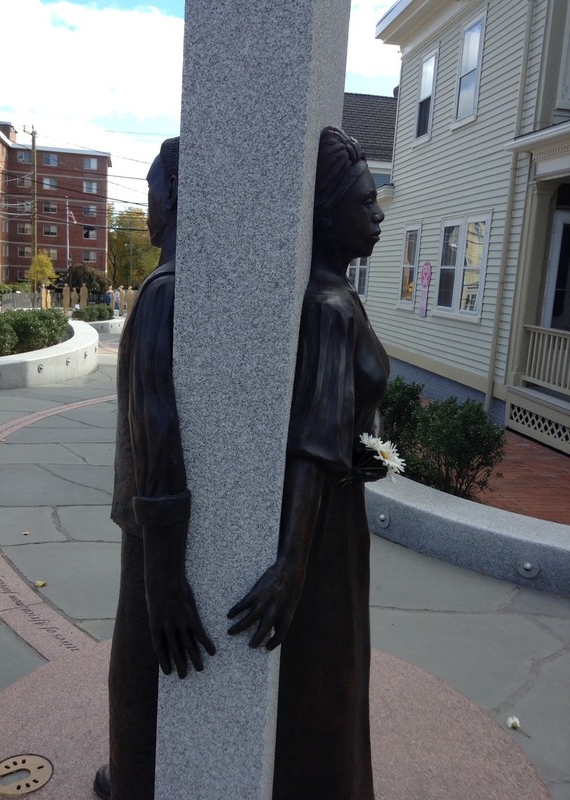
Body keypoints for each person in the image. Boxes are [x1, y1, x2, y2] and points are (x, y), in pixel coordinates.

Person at [227, 126, 389, 800]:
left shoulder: (343, 300)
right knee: (327, 680)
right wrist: (291, 565)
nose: (378, 215)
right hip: (320, 535)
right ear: (327, 216)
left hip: (336, 518)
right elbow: (309, 445)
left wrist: (364, 453)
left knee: (338, 675)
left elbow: (333, 438)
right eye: (363, 204)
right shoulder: (327, 309)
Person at [94, 137, 215, 800]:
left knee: (135, 662)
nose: (147, 216)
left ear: (175, 200)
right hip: (147, 519)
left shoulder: (163, 292)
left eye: (152, 199)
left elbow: (158, 431)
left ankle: (132, 782)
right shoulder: (190, 292)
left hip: (149, 526)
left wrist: (163, 577)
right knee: (138, 661)